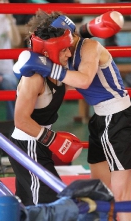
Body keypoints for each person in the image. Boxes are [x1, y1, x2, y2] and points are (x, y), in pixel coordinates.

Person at [15, 10, 131, 221]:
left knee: (122, 198)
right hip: (100, 120)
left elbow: (84, 80)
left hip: (121, 119)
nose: (66, 52)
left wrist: (47, 67)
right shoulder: (63, 52)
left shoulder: (90, 47)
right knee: (99, 192)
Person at [9, 25, 83, 206]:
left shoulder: (58, 73)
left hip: (38, 143)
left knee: (27, 205)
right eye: (64, 49)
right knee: (48, 204)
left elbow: (85, 82)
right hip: (28, 145)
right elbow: (20, 120)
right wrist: (53, 140)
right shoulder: (33, 78)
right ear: (49, 51)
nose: (69, 54)